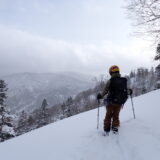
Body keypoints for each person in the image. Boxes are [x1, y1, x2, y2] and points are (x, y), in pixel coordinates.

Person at [97, 65, 132, 134]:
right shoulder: (123, 80)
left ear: (111, 72)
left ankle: (107, 129)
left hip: (110, 102)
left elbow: (105, 91)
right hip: (120, 102)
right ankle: (115, 127)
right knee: (116, 115)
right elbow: (126, 90)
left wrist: (100, 96)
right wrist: (130, 91)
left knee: (108, 115)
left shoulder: (110, 81)